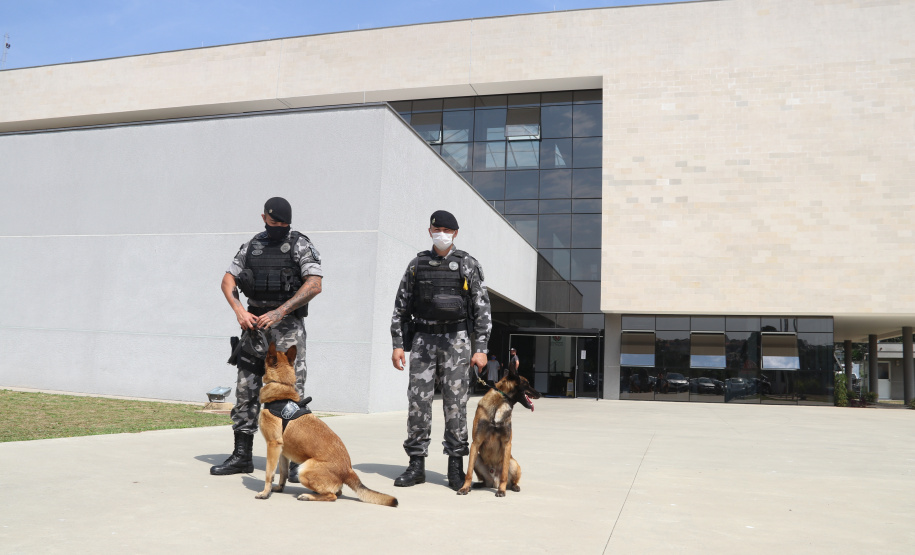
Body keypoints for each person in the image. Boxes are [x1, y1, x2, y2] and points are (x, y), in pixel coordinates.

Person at [210, 197, 323, 477]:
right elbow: (227, 281)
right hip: (253, 327)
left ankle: (296, 459)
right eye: (274, 222)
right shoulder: (251, 246)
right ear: (264, 218)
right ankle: (241, 456)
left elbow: (315, 284)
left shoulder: (300, 244)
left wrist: (280, 311)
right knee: (246, 389)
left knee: (288, 394)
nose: (279, 228)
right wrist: (239, 311)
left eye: (284, 223)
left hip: (286, 329)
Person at [390, 210, 491, 490]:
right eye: (437, 229)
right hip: (422, 340)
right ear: (430, 230)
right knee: (418, 404)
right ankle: (416, 465)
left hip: (456, 340)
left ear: (455, 233)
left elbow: (482, 310)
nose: (442, 234)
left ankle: (456, 467)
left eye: (447, 230)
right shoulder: (417, 265)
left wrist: (480, 347)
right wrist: (398, 344)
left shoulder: (467, 264)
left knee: (455, 403)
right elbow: (400, 309)